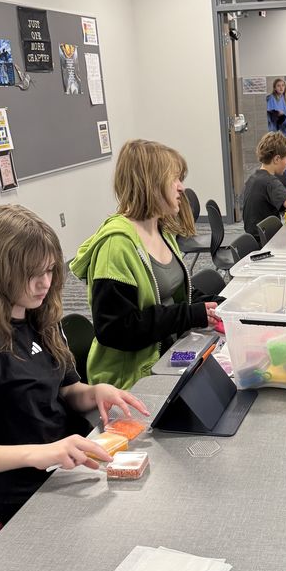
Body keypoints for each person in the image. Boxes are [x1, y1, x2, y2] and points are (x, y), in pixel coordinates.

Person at [0, 204, 148, 525]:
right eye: (31, 274)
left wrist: (94, 392)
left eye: (49, 270)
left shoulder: (41, 316)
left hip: (68, 467)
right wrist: (40, 452)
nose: (45, 283)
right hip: (25, 493)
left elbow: (66, 390)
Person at [70, 139, 219, 390]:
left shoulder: (162, 230)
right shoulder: (116, 246)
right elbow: (116, 329)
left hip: (169, 354)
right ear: (151, 183)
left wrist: (215, 304)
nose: (181, 187)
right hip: (132, 378)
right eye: (174, 179)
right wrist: (190, 315)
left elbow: (175, 295)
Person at [242, 131, 286, 244]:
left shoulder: (254, 177)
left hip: (254, 239)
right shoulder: (270, 182)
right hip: (266, 242)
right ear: (276, 159)